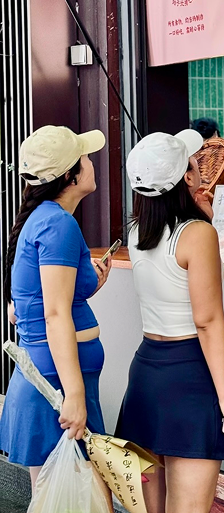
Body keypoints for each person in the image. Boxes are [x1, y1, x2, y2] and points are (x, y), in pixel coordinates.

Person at [117, 129, 224, 513]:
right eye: (193, 165)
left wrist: (202, 218)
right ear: (185, 179)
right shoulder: (198, 235)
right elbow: (207, 321)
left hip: (145, 375)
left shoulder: (135, 231)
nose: (200, 169)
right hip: (190, 378)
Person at [0, 125, 112, 507]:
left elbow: (44, 302)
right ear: (70, 175)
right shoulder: (58, 224)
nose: (90, 161)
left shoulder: (44, 219)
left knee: (55, 498)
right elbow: (54, 314)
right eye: (84, 157)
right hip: (59, 383)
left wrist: (90, 283)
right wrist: (75, 395)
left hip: (50, 378)